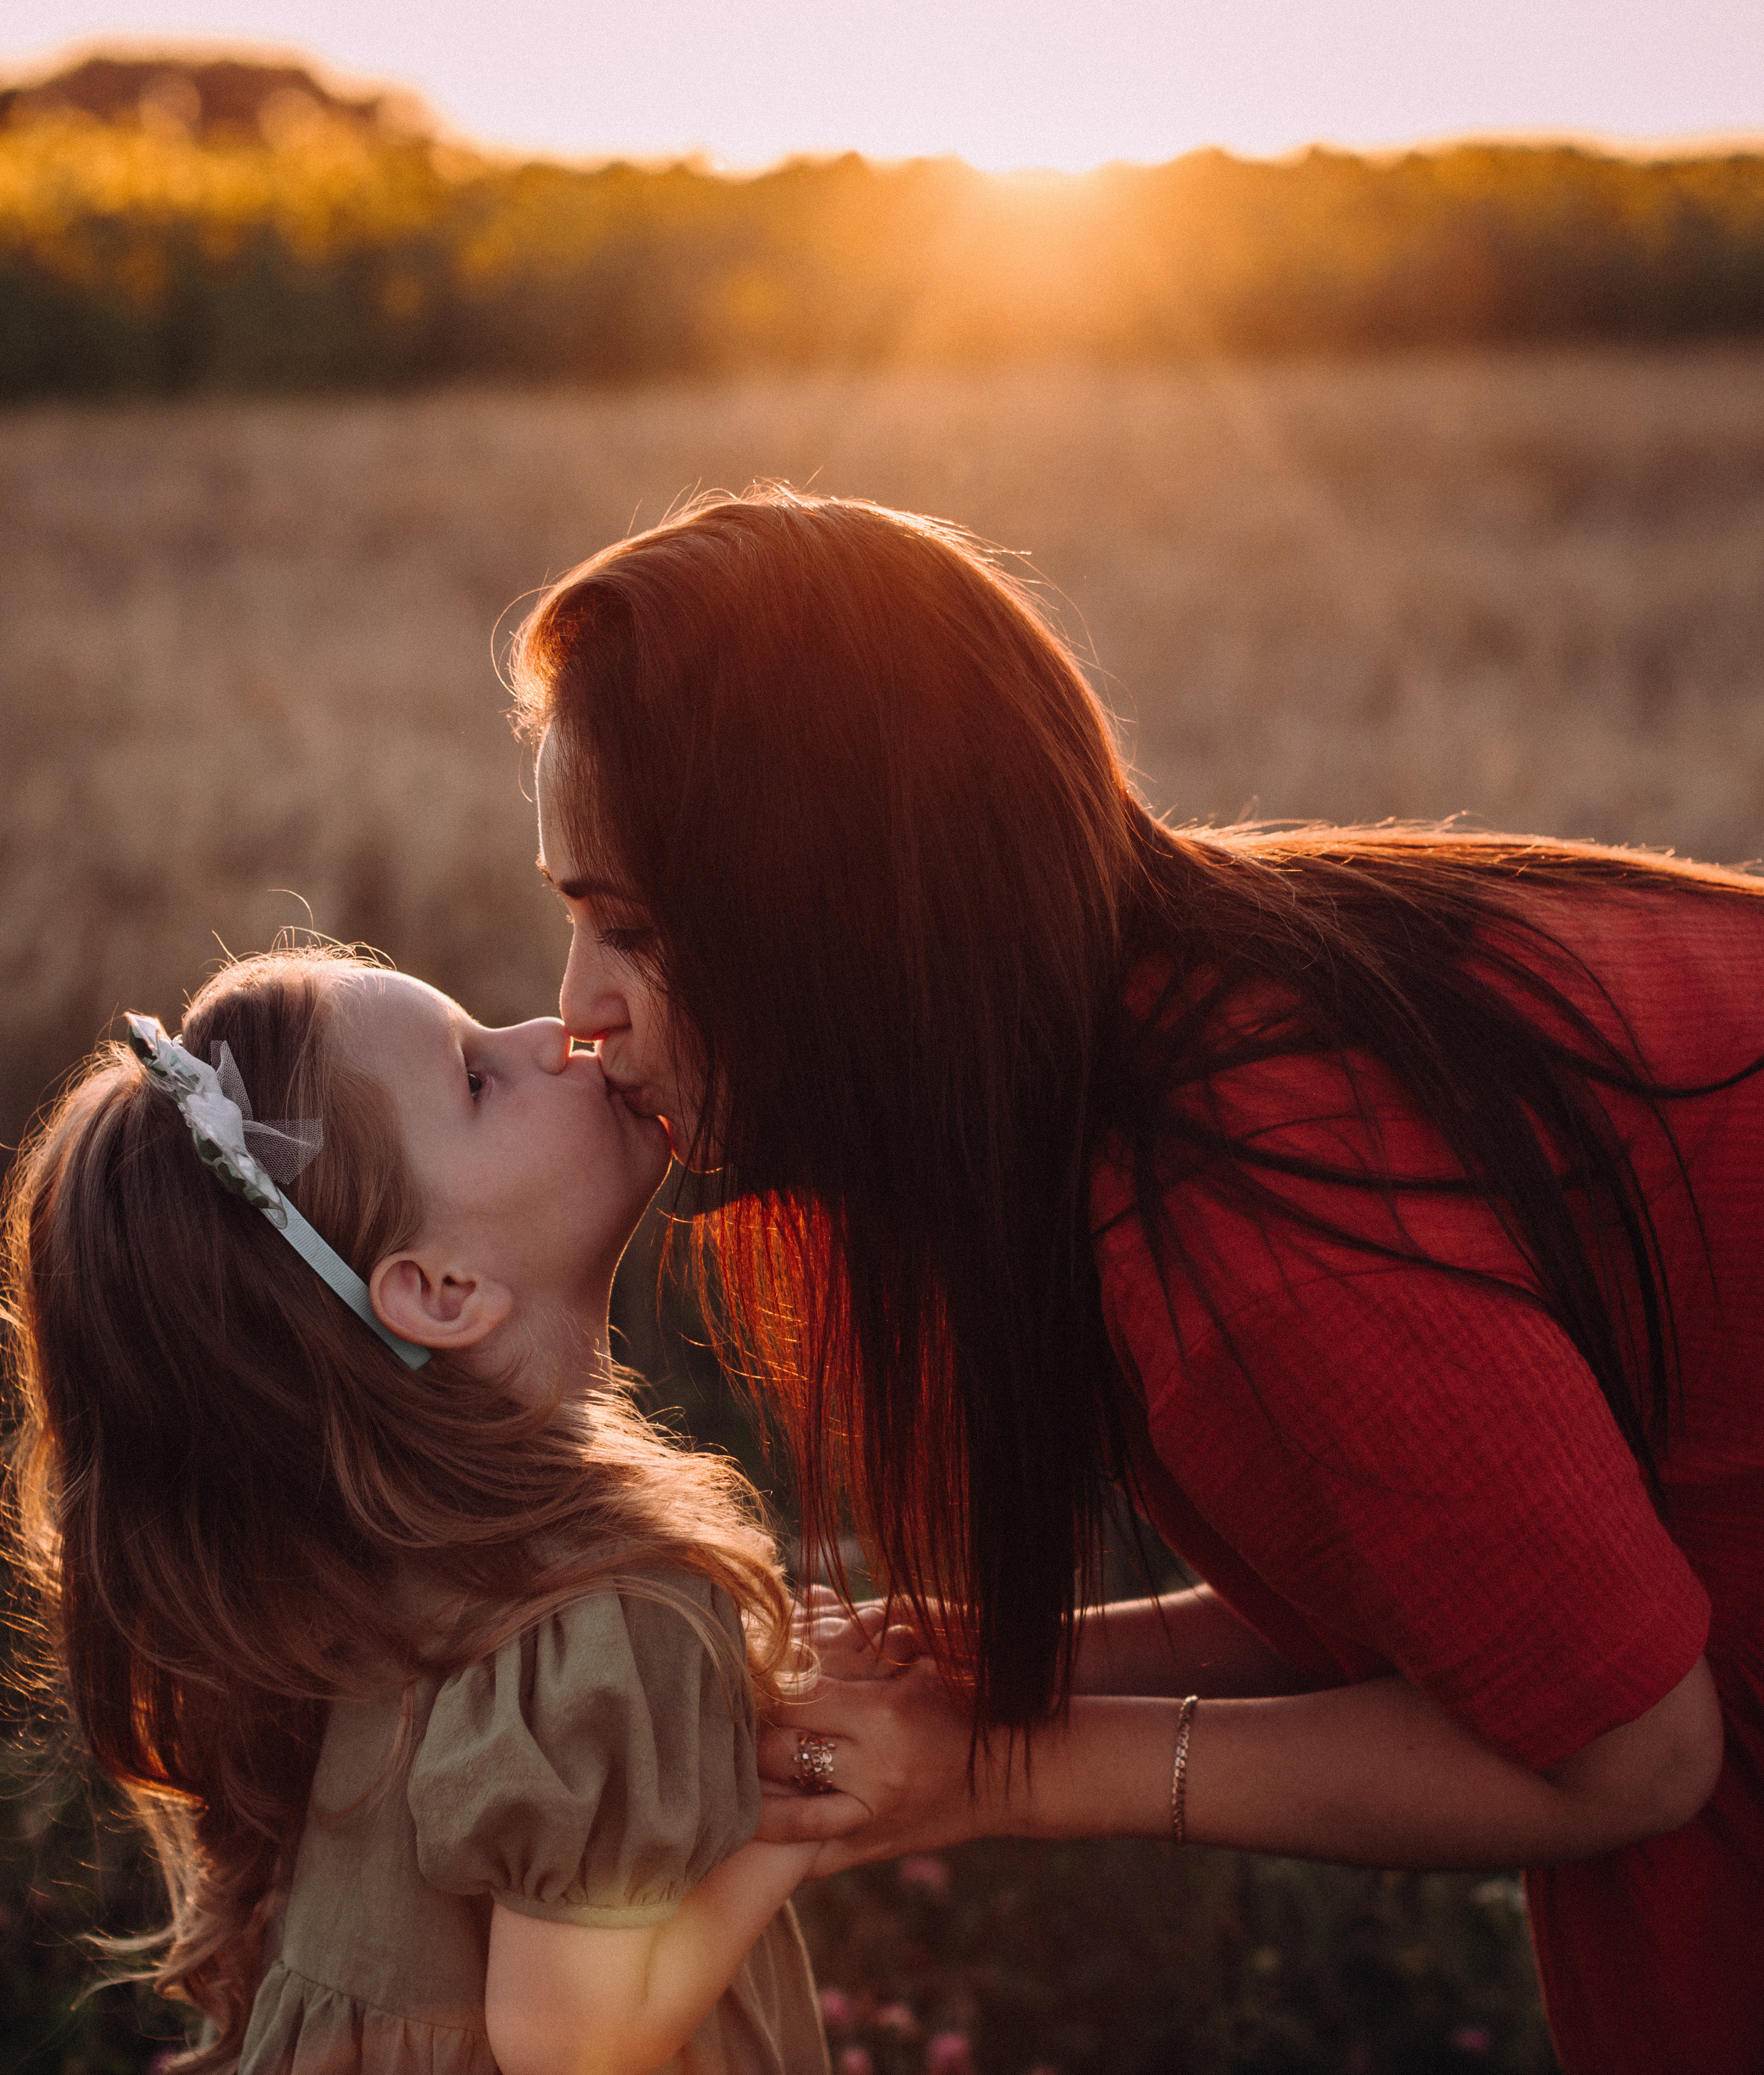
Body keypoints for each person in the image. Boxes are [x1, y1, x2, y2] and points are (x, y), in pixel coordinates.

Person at [516, 487, 1764, 2074]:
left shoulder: (1250, 1218)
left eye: (627, 931)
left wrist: (1000, 1774)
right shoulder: (1170, 1011)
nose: (577, 1015)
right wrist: (996, 1671)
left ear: (835, 913)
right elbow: (1461, 1608)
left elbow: (1625, 1756)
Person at [0, 946, 832, 2075]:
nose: (551, 1033)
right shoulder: (603, 1609)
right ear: (437, 1292)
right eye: (479, 1078)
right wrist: (780, 1841)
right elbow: (570, 2040)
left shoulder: (359, 1569)